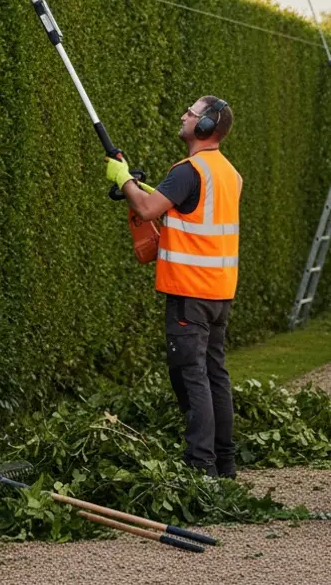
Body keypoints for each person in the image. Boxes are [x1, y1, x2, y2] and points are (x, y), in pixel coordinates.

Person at [105, 96, 241, 479]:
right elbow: (187, 208)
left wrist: (123, 179)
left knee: (190, 376)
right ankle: (224, 465)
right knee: (215, 375)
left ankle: (201, 467)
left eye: (192, 113)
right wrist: (137, 185)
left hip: (189, 292)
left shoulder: (188, 170)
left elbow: (148, 210)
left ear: (204, 126)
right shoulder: (227, 172)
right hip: (218, 292)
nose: (184, 116)